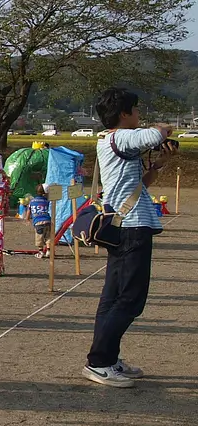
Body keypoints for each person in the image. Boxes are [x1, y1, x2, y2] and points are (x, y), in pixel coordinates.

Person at [84, 88, 171, 388]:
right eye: (135, 109)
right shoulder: (119, 137)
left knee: (113, 298)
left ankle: (107, 357)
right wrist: (163, 131)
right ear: (123, 114)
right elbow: (155, 134)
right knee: (131, 300)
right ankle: (99, 362)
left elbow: (140, 185)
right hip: (132, 228)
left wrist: (158, 165)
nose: (139, 114)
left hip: (125, 225)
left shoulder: (112, 142)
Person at [26, 184, 52, 257]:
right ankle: (49, 250)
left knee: (39, 237)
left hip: (38, 222)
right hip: (47, 221)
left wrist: (27, 219)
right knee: (48, 236)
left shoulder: (32, 201)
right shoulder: (46, 201)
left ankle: (41, 252)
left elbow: (29, 210)